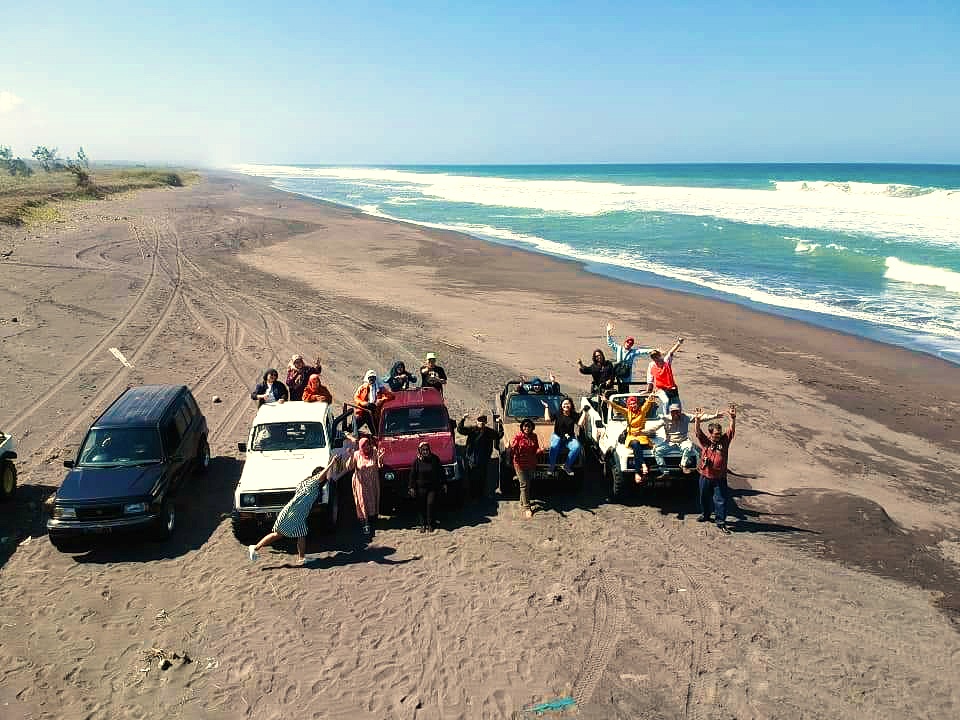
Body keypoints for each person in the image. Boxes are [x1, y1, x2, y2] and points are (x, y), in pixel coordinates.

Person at [246, 454, 338, 564]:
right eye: (324, 475)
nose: (325, 477)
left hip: (298, 515)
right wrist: (331, 464)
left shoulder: (306, 483)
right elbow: (320, 476)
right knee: (278, 534)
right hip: (293, 513)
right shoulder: (312, 483)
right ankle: (255, 547)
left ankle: (301, 558)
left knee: (301, 534)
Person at [694, 404, 737, 532]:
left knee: (720, 500)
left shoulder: (724, 441)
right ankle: (706, 515)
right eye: (715, 435)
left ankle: (721, 522)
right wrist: (697, 420)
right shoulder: (705, 441)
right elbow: (697, 432)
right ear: (710, 434)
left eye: (719, 434)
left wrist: (733, 418)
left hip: (719, 477)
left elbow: (731, 431)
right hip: (705, 476)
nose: (717, 437)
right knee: (704, 497)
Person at [648, 403, 720, 474]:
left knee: (689, 447)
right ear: (670, 412)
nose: (676, 414)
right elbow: (654, 427)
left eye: (677, 412)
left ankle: (683, 465)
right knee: (657, 451)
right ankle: (664, 471)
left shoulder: (686, 417)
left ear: (680, 411)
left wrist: (714, 416)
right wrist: (641, 432)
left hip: (683, 441)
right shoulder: (666, 419)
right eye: (673, 412)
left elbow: (700, 418)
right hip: (670, 442)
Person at [603, 394, 657, 481]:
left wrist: (650, 398)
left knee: (637, 448)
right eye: (630, 404)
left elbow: (647, 404)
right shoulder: (627, 412)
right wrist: (607, 401)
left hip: (641, 435)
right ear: (628, 405)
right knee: (635, 444)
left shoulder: (642, 411)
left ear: (637, 403)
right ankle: (641, 466)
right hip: (631, 436)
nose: (632, 405)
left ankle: (638, 472)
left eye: (634, 403)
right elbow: (617, 407)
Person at [457, 413, 503, 498]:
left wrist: (500, 425)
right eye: (480, 421)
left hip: (483, 458)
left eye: (483, 421)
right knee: (472, 477)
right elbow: (460, 430)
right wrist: (463, 419)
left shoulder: (489, 432)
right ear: (477, 421)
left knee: (482, 477)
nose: (481, 423)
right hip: (472, 458)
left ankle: (481, 494)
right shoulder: (472, 430)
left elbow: (498, 435)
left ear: (485, 422)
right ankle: (472, 494)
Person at [544, 397, 587, 476]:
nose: (566, 405)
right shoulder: (558, 413)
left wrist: (584, 412)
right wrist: (546, 407)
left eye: (568, 403)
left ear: (571, 405)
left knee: (577, 447)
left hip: (569, 437)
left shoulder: (573, 414)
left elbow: (580, 424)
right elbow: (547, 419)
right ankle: (551, 466)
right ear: (561, 405)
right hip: (558, 435)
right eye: (564, 404)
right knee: (554, 446)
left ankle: (567, 466)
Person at [351, 436, 384, 537]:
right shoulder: (356, 454)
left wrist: (381, 457)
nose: (366, 448)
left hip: (372, 482)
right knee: (362, 502)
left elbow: (379, 465)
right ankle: (365, 523)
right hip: (361, 483)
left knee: (373, 500)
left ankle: (372, 519)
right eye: (364, 446)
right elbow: (353, 467)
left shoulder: (374, 452)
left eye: (368, 445)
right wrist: (351, 457)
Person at [408, 441, 445, 532]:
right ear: (420, 451)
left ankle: (430, 524)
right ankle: (423, 524)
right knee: (421, 506)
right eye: (423, 450)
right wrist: (411, 487)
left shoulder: (435, 459)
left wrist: (444, 483)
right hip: (420, 488)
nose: (425, 451)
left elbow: (441, 472)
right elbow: (412, 475)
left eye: (427, 449)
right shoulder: (416, 462)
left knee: (430, 504)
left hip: (432, 487)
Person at [606, 322, 651, 391]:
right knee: (614, 386)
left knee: (625, 390)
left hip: (626, 376)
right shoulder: (619, 348)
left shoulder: (633, 352)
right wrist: (608, 331)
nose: (628, 344)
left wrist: (655, 350)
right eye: (628, 342)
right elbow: (610, 342)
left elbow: (643, 351)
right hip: (618, 373)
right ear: (625, 342)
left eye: (630, 343)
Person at [509, 418, 540, 518]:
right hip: (520, 464)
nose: (527, 428)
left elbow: (535, 449)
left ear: (532, 427)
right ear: (522, 427)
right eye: (525, 426)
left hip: (530, 464)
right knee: (524, 484)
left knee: (527, 484)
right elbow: (513, 448)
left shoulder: (534, 436)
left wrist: (540, 450)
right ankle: (527, 507)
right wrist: (509, 447)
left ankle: (522, 501)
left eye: (529, 426)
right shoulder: (518, 437)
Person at [646, 338, 684, 407]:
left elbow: (671, 352)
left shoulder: (666, 361)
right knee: (666, 402)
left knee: (677, 407)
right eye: (653, 357)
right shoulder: (651, 365)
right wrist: (648, 390)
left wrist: (679, 343)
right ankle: (666, 416)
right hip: (660, 390)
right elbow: (650, 380)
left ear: (659, 355)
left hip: (672, 389)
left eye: (656, 356)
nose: (655, 358)